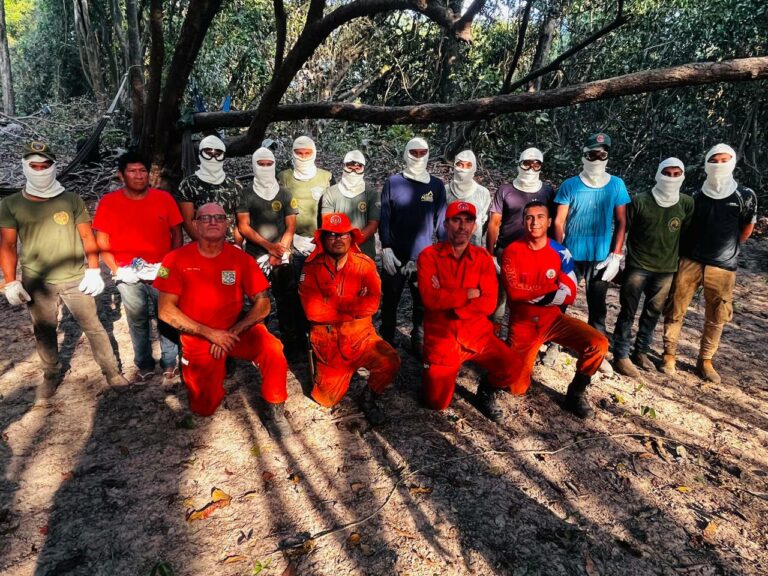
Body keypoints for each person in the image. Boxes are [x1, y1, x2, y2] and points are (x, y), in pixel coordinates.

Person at [0, 142, 128, 397]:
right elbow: (8, 245)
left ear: (53, 167)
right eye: (34, 166)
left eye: (45, 165)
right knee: (44, 330)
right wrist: (10, 281)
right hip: (37, 281)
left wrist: (94, 270)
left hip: (75, 278)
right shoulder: (11, 204)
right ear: (26, 167)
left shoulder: (71, 199)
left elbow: (86, 236)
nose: (40, 170)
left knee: (94, 326)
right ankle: (51, 374)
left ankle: (112, 372)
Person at [154, 203, 291, 435]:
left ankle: (276, 410)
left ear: (227, 224)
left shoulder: (240, 259)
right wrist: (211, 334)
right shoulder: (175, 259)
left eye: (219, 217)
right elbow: (165, 311)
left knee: (272, 348)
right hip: (197, 337)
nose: (213, 222)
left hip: (234, 330)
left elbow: (263, 303)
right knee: (203, 408)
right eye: (205, 218)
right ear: (195, 225)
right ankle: (218, 368)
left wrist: (234, 332)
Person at [501, 201, 609, 419]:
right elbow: (515, 294)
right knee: (516, 388)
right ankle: (506, 352)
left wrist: (533, 293)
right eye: (529, 217)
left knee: (598, 343)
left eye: (540, 217)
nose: (534, 222)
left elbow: (569, 292)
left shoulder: (560, 251)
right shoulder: (512, 251)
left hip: (554, 319)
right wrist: (550, 292)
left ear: (549, 221)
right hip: (523, 325)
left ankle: (576, 393)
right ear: (523, 221)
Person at [662, 144, 757, 383]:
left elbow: (746, 227)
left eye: (724, 160)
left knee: (717, 315)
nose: (718, 165)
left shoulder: (744, 195)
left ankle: (705, 360)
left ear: (733, 162)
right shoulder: (694, 194)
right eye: (713, 160)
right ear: (706, 163)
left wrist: (730, 248)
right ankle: (669, 354)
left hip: (723, 266)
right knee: (676, 308)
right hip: (690, 260)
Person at [298, 213, 400, 425]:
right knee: (324, 400)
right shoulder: (311, 268)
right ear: (323, 239)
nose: (338, 239)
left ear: (351, 237)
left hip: (361, 338)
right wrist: (353, 306)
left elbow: (371, 305)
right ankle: (332, 375)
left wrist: (333, 306)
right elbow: (312, 312)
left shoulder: (365, 265)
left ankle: (369, 397)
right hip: (329, 345)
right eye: (332, 235)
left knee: (390, 361)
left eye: (343, 234)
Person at [417, 201, 515, 419]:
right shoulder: (428, 256)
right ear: (445, 224)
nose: (462, 226)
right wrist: (469, 293)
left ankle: (486, 392)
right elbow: (430, 299)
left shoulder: (482, 258)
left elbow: (489, 303)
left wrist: (450, 301)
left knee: (511, 367)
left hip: (477, 333)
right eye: (456, 220)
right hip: (443, 340)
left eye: (468, 220)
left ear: (474, 226)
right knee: (436, 403)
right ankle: (432, 370)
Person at [93, 151, 182, 381]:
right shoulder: (109, 203)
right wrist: (117, 270)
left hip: (161, 268)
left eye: (142, 170)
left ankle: (170, 361)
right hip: (127, 272)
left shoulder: (163, 199)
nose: (139, 175)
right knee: (137, 318)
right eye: (132, 171)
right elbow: (102, 242)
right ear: (121, 175)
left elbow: (176, 233)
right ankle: (143, 362)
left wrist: (168, 265)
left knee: (167, 315)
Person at [554, 133, 630, 372]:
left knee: (597, 307)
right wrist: (559, 252)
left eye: (602, 155)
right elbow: (559, 221)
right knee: (561, 302)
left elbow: (621, 221)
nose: (597, 159)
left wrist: (615, 255)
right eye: (592, 154)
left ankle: (598, 352)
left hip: (600, 258)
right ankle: (552, 345)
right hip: (571, 256)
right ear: (584, 155)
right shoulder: (570, 185)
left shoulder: (616, 185)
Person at [612, 158, 694, 378]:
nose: (672, 178)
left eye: (677, 174)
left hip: (666, 269)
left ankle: (641, 351)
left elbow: (685, 236)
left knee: (652, 313)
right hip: (637, 266)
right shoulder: (640, 201)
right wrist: (616, 260)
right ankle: (620, 354)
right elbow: (622, 229)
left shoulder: (686, 203)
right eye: (667, 173)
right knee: (627, 311)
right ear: (658, 174)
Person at [379, 137, 447, 356]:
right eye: (413, 152)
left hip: (424, 257)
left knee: (423, 303)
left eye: (422, 152)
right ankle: (387, 338)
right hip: (395, 255)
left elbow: (441, 222)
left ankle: (418, 341)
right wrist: (386, 248)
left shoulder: (436, 186)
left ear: (428, 154)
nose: (418, 157)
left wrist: (443, 255)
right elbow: (385, 217)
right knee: (390, 301)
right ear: (406, 153)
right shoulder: (393, 182)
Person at [237, 147, 302, 349]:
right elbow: (243, 226)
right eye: (261, 164)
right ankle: (260, 344)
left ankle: (291, 345)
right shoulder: (245, 194)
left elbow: (291, 225)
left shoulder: (284, 193)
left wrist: (280, 250)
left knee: (287, 300)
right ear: (254, 165)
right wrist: (268, 247)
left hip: (281, 256)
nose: (265, 168)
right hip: (255, 256)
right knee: (258, 300)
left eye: (269, 164)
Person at [486, 147, 556, 336]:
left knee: (528, 296)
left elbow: (554, 222)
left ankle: (519, 338)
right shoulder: (506, 190)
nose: (531, 168)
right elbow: (494, 223)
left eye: (536, 164)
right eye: (526, 163)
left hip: (534, 253)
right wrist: (490, 254)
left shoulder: (547, 191)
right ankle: (493, 337)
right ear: (519, 163)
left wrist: (554, 251)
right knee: (499, 297)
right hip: (505, 250)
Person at [277, 135, 334, 264]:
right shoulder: (283, 177)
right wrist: (289, 241)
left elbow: (334, 211)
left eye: (307, 153)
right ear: (293, 153)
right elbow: (278, 212)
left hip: (320, 243)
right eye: (299, 153)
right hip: (293, 243)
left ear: (313, 154)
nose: (303, 157)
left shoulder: (326, 177)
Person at [178, 135, 244, 245]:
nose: (213, 158)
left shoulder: (235, 185)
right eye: (208, 154)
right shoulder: (188, 184)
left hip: (230, 246)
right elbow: (188, 221)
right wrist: (206, 244)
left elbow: (240, 221)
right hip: (201, 247)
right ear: (200, 154)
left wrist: (237, 246)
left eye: (218, 154)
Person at [320, 150, 380, 259]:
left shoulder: (372, 194)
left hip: (364, 254)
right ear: (343, 167)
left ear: (363, 169)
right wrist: (342, 245)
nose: (353, 172)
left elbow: (373, 226)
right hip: (336, 254)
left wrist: (352, 244)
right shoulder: (330, 193)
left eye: (358, 168)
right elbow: (327, 223)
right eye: (350, 167)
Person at [445, 150, 490, 248]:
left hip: (474, 250)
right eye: (460, 164)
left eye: (468, 165)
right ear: (454, 165)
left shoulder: (483, 193)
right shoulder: (445, 191)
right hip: (448, 250)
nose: (463, 169)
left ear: (474, 167)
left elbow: (483, 222)